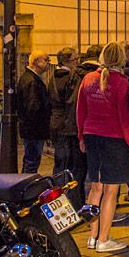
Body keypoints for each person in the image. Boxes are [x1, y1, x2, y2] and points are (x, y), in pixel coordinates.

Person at [75, 42, 129, 252]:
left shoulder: (88, 78)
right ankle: (104, 239)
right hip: (113, 139)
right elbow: (124, 118)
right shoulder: (121, 82)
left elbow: (80, 111)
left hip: (92, 135)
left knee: (95, 188)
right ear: (121, 59)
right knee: (111, 191)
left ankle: (92, 237)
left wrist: (81, 137)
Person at [50, 47, 87, 203]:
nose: (77, 62)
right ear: (66, 61)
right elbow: (73, 104)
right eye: (75, 59)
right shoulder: (73, 78)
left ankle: (57, 202)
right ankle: (75, 202)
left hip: (56, 124)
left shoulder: (52, 78)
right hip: (69, 127)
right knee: (75, 166)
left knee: (60, 165)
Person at [16, 51, 51, 173]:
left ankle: (26, 184)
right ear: (36, 62)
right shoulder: (31, 81)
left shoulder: (30, 78)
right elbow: (32, 107)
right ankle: (27, 186)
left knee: (30, 160)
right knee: (32, 161)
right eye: (46, 60)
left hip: (31, 129)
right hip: (34, 129)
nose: (48, 63)